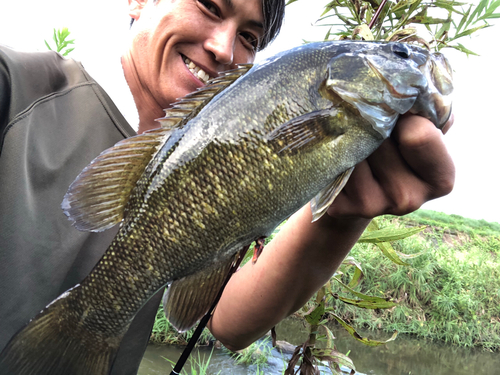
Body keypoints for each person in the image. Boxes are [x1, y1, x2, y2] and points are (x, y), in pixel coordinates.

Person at [0, 0, 454, 373]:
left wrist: (342, 217)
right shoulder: (13, 87)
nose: (222, 47)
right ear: (139, 1)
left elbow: (228, 321)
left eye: (249, 38)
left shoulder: (217, 158)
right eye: (209, 5)